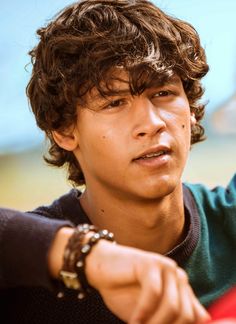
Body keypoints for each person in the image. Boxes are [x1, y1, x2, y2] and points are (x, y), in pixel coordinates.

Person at [0, 0, 235, 323]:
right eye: (115, 102)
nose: (151, 122)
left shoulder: (229, 220)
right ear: (64, 130)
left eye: (163, 93)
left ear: (191, 109)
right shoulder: (25, 273)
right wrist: (86, 257)